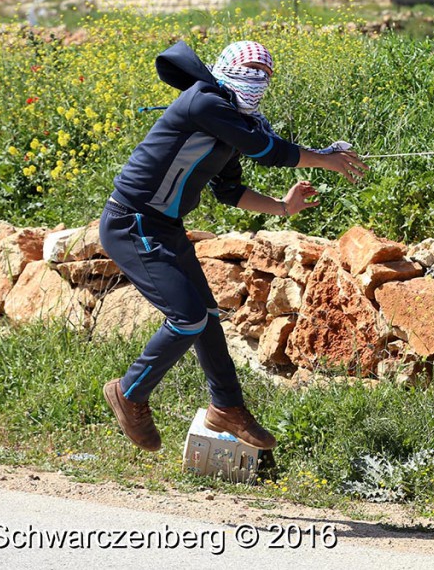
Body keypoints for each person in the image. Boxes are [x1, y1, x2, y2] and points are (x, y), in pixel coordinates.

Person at [99, 39, 368, 452]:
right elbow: (267, 151)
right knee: (187, 318)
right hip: (131, 223)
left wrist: (282, 207)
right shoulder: (204, 102)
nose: (257, 79)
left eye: (265, 73)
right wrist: (325, 159)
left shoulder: (231, 121)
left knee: (206, 317)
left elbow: (230, 190)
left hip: (164, 227)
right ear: (224, 68)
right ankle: (130, 391)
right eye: (249, 70)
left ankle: (226, 407)